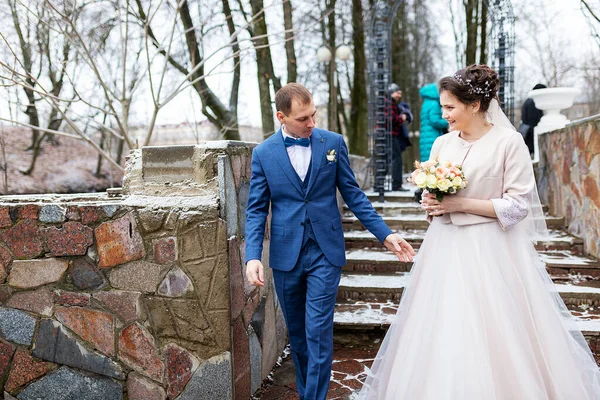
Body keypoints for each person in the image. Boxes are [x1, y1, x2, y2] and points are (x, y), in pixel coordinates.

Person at [359, 65, 600, 399]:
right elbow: (437, 201)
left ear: (474, 105)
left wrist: (460, 204)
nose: (444, 114)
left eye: (449, 107)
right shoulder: (442, 143)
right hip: (443, 250)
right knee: (443, 329)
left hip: (492, 252)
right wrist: (431, 201)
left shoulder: (509, 142)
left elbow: (517, 207)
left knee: (495, 332)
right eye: (443, 107)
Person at [245, 83, 415, 400]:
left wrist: (386, 234)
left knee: (318, 332)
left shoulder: (333, 143)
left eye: (313, 115)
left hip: (325, 251)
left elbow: (354, 195)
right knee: (298, 335)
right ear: (281, 116)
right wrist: (252, 255)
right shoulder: (263, 154)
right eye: (302, 119)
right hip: (286, 256)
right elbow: (256, 210)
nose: (311, 124)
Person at [386, 83, 412, 191]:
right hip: (390, 135)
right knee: (396, 159)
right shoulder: (388, 103)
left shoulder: (390, 103)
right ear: (392, 92)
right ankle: (396, 185)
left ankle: (380, 185)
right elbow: (391, 120)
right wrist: (402, 118)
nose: (399, 95)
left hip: (390, 135)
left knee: (390, 159)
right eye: (398, 93)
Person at [418, 82, 448, 162]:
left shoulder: (426, 103)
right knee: (434, 159)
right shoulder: (434, 104)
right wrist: (447, 122)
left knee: (427, 159)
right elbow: (435, 121)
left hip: (426, 135)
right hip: (433, 135)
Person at [520, 83, 547, 155]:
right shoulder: (533, 102)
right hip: (530, 133)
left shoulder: (528, 101)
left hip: (527, 132)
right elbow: (534, 120)